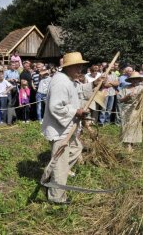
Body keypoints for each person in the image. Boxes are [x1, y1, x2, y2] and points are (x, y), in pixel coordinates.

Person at [41, 52, 103, 204]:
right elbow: (55, 106)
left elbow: (79, 90)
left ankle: (54, 172)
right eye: (77, 66)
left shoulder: (68, 79)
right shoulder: (60, 82)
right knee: (61, 164)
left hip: (68, 127)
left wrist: (94, 84)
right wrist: (76, 111)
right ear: (68, 67)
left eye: (81, 65)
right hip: (59, 129)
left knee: (76, 148)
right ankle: (57, 197)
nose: (80, 69)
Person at [118, 71, 143, 152]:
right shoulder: (125, 88)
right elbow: (120, 100)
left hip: (137, 110)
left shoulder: (141, 88)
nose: (135, 81)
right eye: (133, 79)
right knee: (126, 126)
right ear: (131, 80)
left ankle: (131, 144)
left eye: (137, 79)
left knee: (134, 127)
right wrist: (127, 96)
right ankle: (127, 144)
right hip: (126, 110)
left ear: (139, 80)